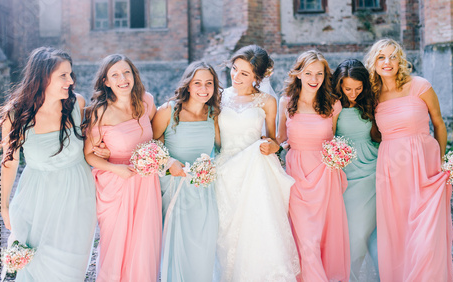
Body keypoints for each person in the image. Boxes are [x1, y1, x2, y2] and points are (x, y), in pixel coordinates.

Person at [0, 47, 96, 281]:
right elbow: (9, 162)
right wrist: (4, 205)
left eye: (70, 74)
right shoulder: (16, 116)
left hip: (77, 193)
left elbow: (91, 146)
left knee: (70, 262)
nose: (70, 80)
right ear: (43, 77)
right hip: (37, 196)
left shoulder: (77, 104)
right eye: (63, 75)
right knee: (36, 262)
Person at [364, 38, 453, 281]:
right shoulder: (372, 96)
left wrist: (442, 162)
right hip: (391, 168)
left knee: (427, 228)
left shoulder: (420, 86)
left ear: (400, 60)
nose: (387, 62)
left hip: (425, 165)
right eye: (381, 57)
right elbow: (374, 133)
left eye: (393, 56)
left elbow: (438, 124)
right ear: (373, 62)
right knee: (398, 228)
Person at [215, 45, 300, 281]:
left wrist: (274, 146)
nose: (236, 76)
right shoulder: (219, 97)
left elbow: (272, 138)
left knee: (256, 229)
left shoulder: (267, 101)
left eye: (245, 73)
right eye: (234, 69)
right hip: (226, 170)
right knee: (226, 233)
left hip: (255, 172)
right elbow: (214, 136)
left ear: (257, 77)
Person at [83, 54, 161, 282]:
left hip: (146, 182)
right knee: (116, 244)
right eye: (114, 75)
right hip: (116, 182)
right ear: (106, 82)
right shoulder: (100, 111)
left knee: (144, 243)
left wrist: (155, 156)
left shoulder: (147, 101)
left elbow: (156, 136)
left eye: (126, 72)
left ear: (134, 75)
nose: (122, 79)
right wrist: (117, 169)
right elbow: (89, 154)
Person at [276, 50, 350, 282]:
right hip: (296, 173)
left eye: (319, 73)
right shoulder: (286, 103)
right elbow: (279, 138)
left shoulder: (333, 105)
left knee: (321, 234)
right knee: (305, 236)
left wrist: (339, 153)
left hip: (325, 174)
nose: (314, 78)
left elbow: (336, 136)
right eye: (308, 73)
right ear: (298, 74)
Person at [152, 61, 221, 282]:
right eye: (197, 83)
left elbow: (221, 149)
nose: (203, 89)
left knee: (203, 244)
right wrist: (169, 161)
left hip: (204, 189)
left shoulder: (214, 114)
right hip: (175, 188)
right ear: (188, 86)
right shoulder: (168, 111)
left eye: (209, 83)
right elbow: (151, 145)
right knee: (177, 245)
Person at [332, 59, 380, 281]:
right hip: (344, 171)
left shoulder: (370, 102)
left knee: (364, 231)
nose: (353, 93)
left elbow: (377, 135)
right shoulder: (332, 104)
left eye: (358, 88)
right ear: (339, 85)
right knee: (350, 233)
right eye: (347, 88)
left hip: (371, 169)